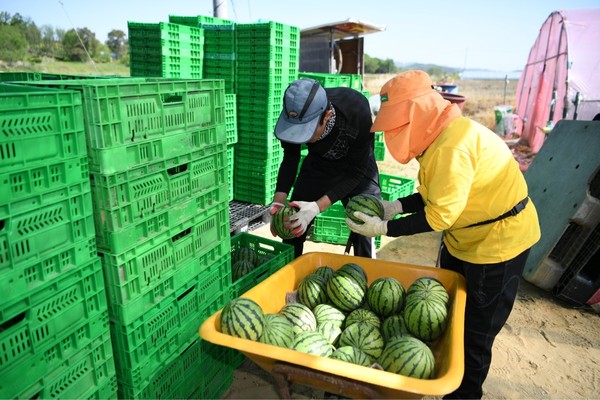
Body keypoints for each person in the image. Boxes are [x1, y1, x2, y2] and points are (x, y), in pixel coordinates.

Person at [345, 70, 541, 399]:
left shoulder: (454, 145)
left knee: (475, 334)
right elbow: (440, 192)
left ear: (417, 115)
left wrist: (384, 228)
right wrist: (397, 205)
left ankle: (464, 395)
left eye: (398, 124)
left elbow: (440, 214)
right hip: (464, 238)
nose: (393, 133)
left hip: (497, 246)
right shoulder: (441, 137)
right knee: (451, 316)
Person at [269, 77, 381, 258]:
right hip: (319, 164)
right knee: (294, 220)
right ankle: (290, 272)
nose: (301, 137)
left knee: (364, 222)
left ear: (327, 116)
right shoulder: (293, 116)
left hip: (356, 166)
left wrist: (316, 207)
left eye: (307, 131)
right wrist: (278, 203)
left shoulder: (356, 111)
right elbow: (290, 158)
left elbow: (356, 172)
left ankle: (365, 269)